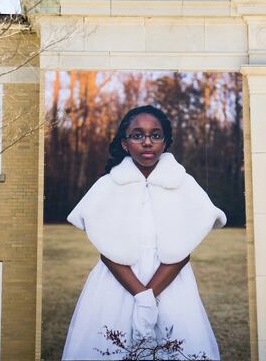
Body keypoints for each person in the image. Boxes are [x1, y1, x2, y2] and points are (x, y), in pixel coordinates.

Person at [62, 105, 226, 360]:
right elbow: (106, 248)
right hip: (117, 286)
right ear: (125, 143)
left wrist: (151, 297)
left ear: (165, 142)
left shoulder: (184, 185)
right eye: (138, 135)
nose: (147, 142)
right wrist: (140, 295)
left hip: (170, 285)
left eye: (155, 135)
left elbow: (183, 248)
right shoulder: (107, 185)